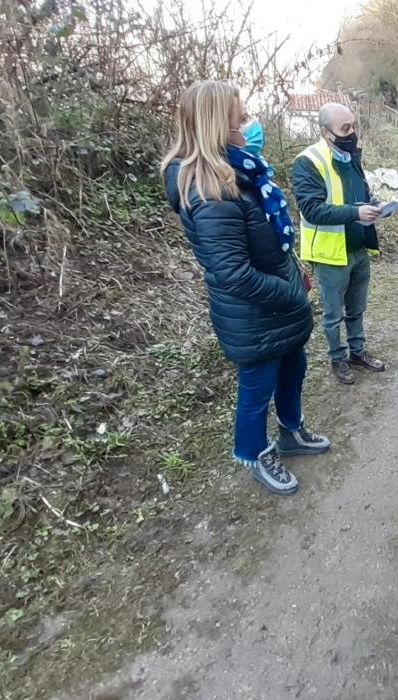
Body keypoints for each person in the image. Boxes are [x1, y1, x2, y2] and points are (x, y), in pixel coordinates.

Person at [160, 81, 330, 496]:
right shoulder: (210, 189)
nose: (251, 125)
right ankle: (254, 452)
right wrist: (290, 294)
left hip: (277, 300)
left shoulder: (241, 172)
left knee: (294, 368)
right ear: (219, 125)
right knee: (257, 389)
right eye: (242, 118)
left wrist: (294, 273)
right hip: (254, 313)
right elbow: (232, 272)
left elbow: (268, 239)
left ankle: (292, 431)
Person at [291, 102, 386, 385]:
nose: (352, 133)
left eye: (353, 126)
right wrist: (356, 212)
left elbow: (360, 195)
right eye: (345, 128)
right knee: (333, 315)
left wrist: (374, 206)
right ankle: (338, 358)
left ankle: (357, 352)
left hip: (358, 248)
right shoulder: (308, 162)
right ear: (325, 131)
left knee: (357, 308)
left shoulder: (350, 157)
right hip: (330, 253)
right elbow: (312, 209)